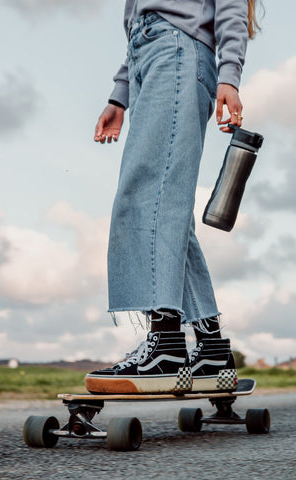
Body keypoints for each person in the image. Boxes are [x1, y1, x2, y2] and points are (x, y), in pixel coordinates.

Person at [85, 0, 260, 394]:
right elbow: (138, 22)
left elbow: (230, 5)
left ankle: (166, 344)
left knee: (150, 199)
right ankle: (211, 346)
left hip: (178, 52)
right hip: (150, 56)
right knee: (166, 205)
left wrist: (228, 76)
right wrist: (120, 94)